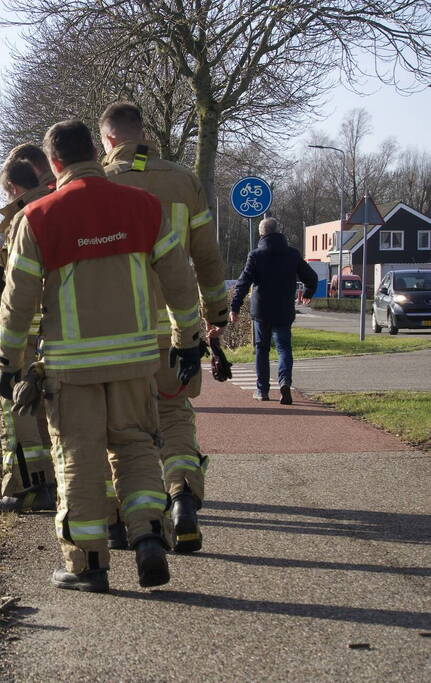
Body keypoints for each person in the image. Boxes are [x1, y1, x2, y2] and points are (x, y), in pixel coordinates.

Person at [0, 119, 202, 593]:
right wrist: (187, 338)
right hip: (136, 361)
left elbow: (17, 303)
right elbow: (179, 280)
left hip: (72, 370)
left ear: (54, 164)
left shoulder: (38, 217)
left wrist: (7, 364)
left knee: (79, 458)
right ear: (94, 150)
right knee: (135, 446)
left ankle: (87, 564)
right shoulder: (143, 206)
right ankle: (149, 534)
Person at [100, 101, 229, 553]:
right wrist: (216, 315)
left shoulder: (99, 184)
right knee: (174, 416)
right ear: (143, 132)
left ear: (108, 139)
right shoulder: (184, 180)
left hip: (119, 333)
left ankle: (122, 521)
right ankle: (183, 497)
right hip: (176, 329)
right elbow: (207, 257)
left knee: (121, 431)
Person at [0, 150, 56, 514]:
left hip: (25, 332)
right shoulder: (61, 204)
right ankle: (52, 480)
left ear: (14, 186)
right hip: (58, 328)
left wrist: (7, 354)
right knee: (47, 409)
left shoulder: (25, 217)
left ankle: (26, 487)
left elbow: (20, 288)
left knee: (17, 409)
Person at [231, 217, 318, 404]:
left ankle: (262, 390)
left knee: (262, 349)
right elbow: (311, 276)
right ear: (278, 231)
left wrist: (235, 307)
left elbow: (243, 283)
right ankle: (285, 382)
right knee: (283, 348)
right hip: (284, 309)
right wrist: (308, 292)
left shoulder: (255, 256)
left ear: (261, 233)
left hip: (261, 311)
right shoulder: (292, 254)